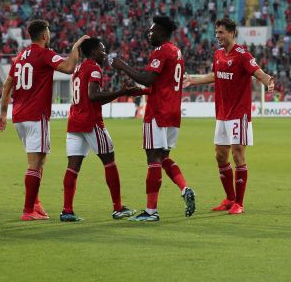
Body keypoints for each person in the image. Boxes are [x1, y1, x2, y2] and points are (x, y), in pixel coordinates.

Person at [0, 19, 88, 221]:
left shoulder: (20, 56)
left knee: (39, 161)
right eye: (49, 32)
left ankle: (35, 204)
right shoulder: (45, 54)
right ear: (45, 35)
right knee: (35, 163)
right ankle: (28, 210)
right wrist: (75, 48)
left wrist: (3, 113)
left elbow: (7, 84)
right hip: (36, 116)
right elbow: (69, 67)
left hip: (19, 117)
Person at [184, 18, 274, 214]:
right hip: (222, 114)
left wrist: (268, 80)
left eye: (222, 32)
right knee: (220, 156)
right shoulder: (217, 54)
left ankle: (239, 203)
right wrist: (193, 80)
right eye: (216, 33)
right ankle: (229, 198)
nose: (218, 36)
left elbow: (257, 72)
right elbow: (214, 76)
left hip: (238, 114)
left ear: (232, 33)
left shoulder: (242, 55)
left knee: (237, 155)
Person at [111, 15, 195, 222]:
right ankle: (185, 189)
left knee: (152, 159)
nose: (149, 34)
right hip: (173, 112)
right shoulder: (177, 51)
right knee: (163, 158)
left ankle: (151, 211)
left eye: (153, 30)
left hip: (158, 112)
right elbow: (160, 83)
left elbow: (148, 78)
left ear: (163, 32)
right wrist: (139, 91)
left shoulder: (161, 50)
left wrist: (122, 66)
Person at [60, 38, 139, 222]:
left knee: (73, 167)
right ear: (94, 52)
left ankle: (67, 210)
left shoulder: (79, 68)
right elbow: (94, 96)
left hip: (74, 122)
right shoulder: (94, 67)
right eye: (102, 49)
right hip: (90, 121)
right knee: (109, 160)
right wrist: (121, 92)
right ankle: (118, 208)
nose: (105, 53)